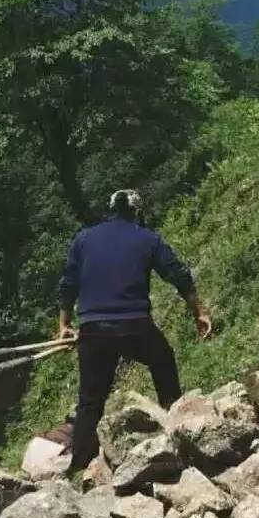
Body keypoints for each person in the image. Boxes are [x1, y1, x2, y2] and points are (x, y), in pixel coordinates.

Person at [59, 189, 213, 473]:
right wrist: (199, 312)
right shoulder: (147, 238)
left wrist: (64, 325)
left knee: (90, 398)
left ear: (109, 210)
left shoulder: (84, 239)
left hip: (93, 327)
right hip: (133, 324)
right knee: (162, 360)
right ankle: (175, 421)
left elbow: (69, 283)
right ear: (137, 213)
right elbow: (177, 273)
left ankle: (80, 464)